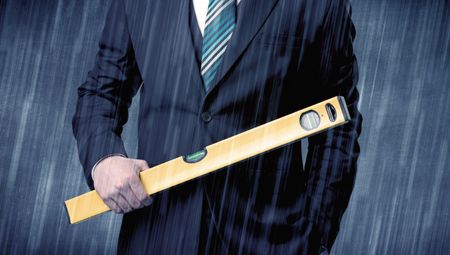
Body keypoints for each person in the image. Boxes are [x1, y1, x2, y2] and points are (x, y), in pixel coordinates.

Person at [72, 0, 362, 254]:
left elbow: (339, 127)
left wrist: (315, 236)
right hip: (157, 234)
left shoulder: (320, 4)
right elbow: (102, 91)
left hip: (268, 241)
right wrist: (104, 159)